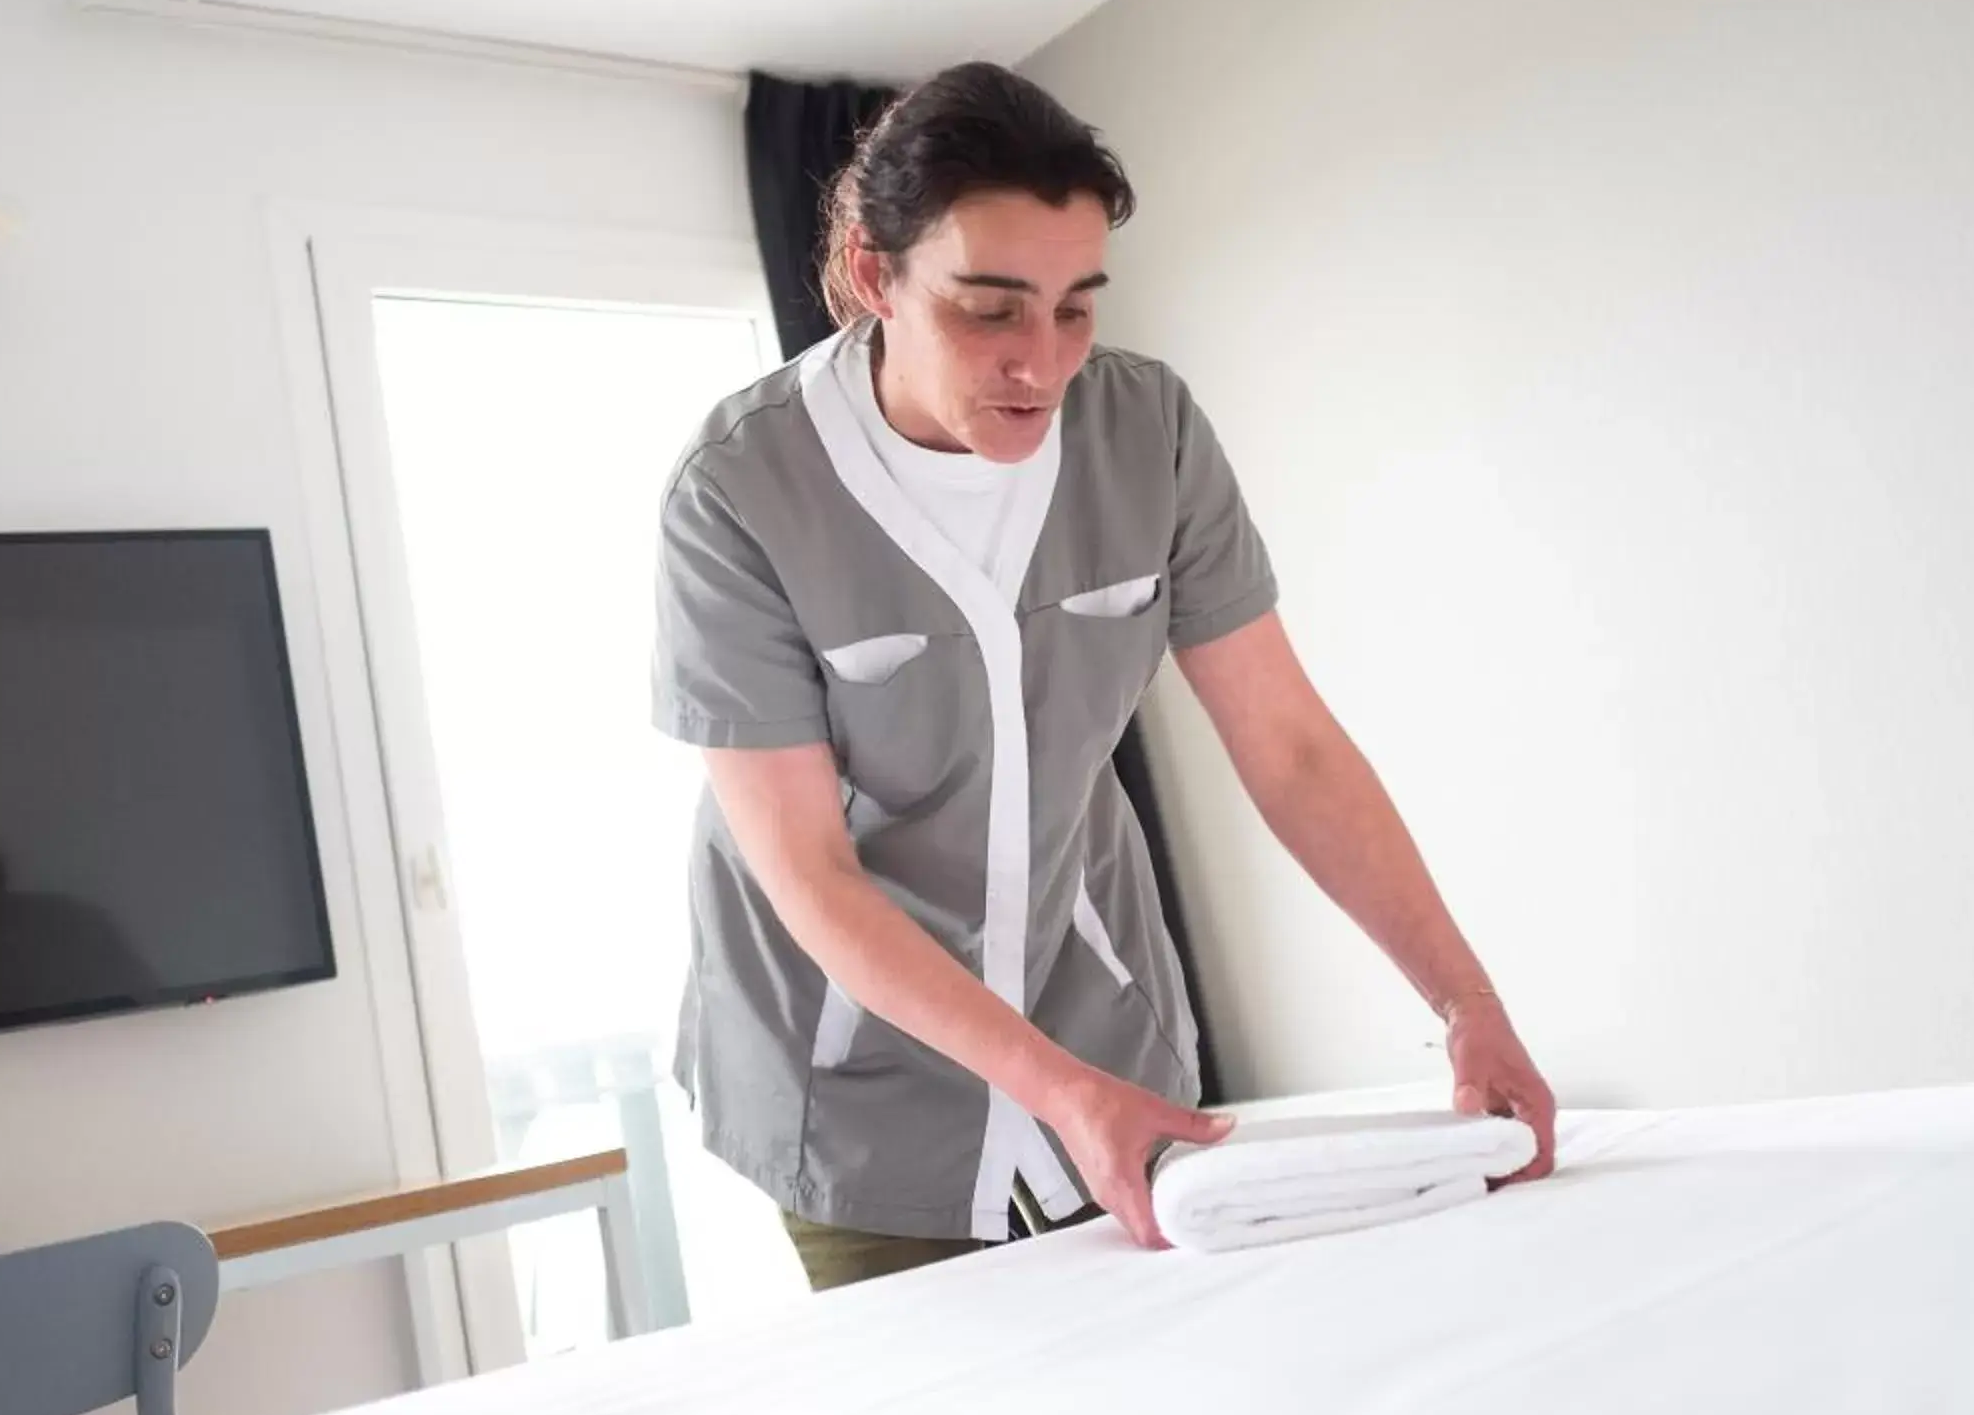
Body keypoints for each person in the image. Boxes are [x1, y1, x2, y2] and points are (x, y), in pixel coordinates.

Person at [654, 63, 1552, 1292]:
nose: (1044, 360)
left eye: (1077, 307)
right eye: (990, 309)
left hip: (1109, 1027)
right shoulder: (740, 495)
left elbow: (1287, 743)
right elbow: (807, 870)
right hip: (856, 1077)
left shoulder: (1151, 436)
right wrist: (1056, 1093)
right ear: (874, 276)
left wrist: (1464, 1002)